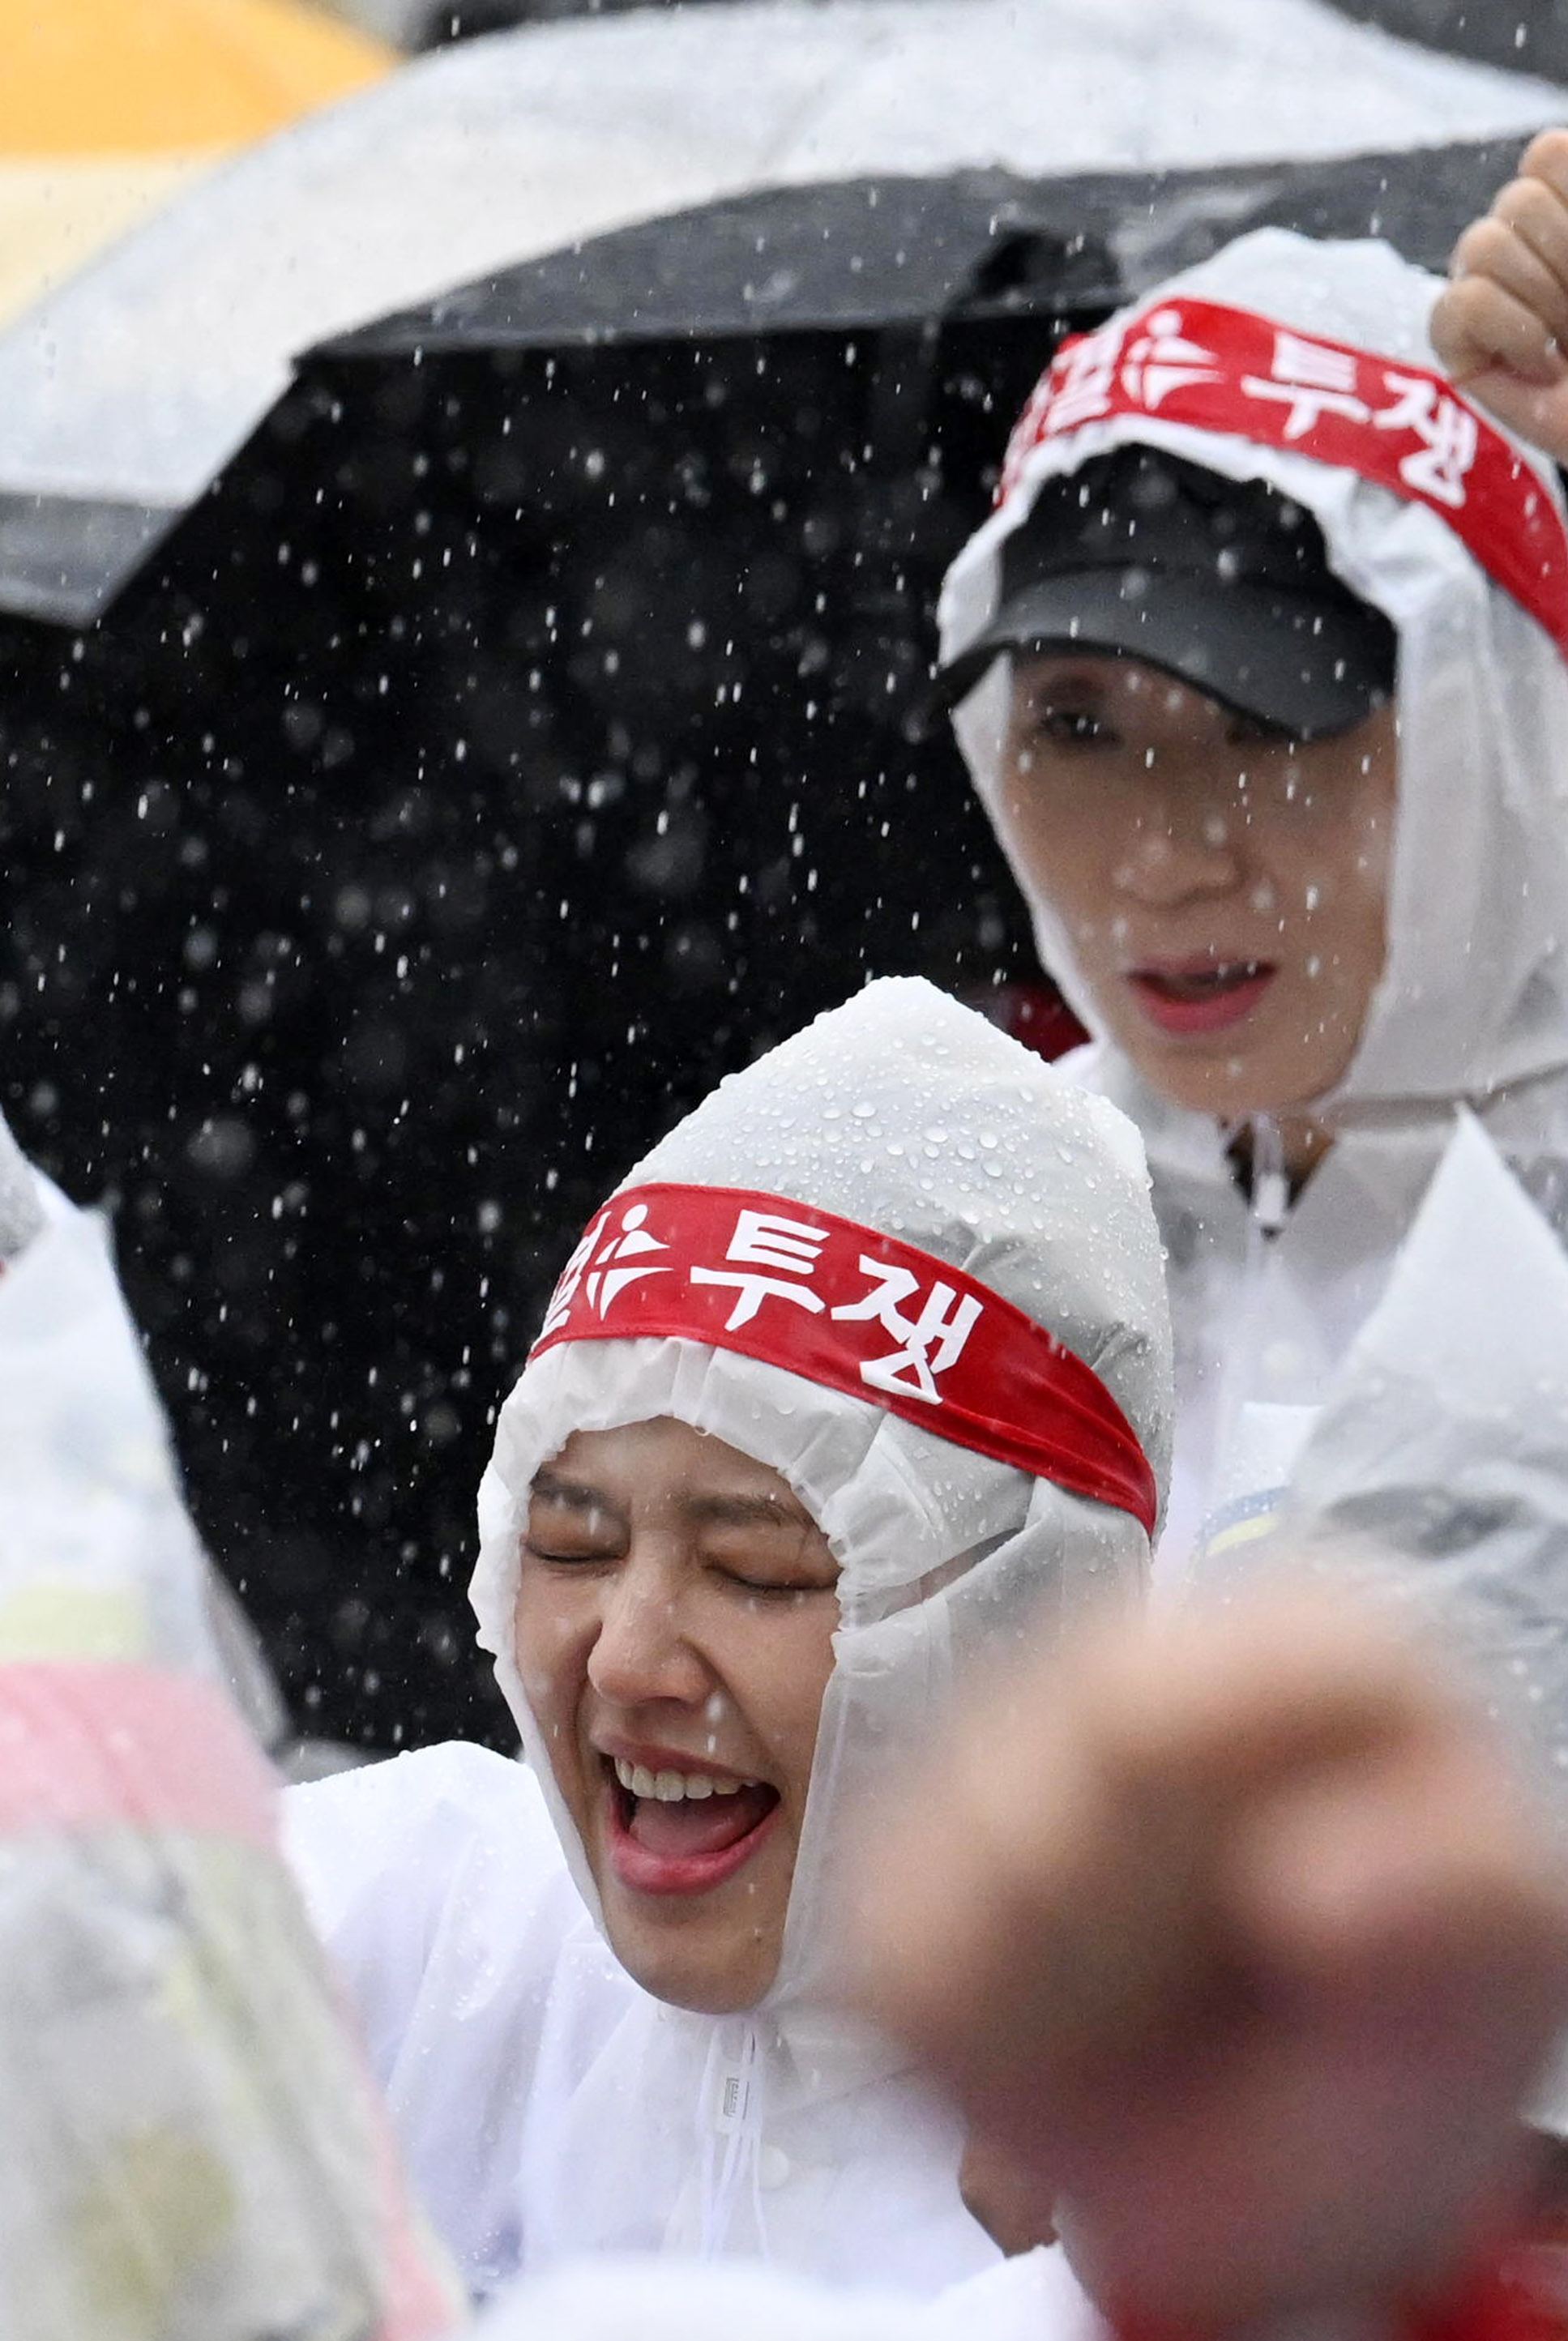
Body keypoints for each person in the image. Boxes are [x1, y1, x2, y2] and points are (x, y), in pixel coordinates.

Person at [283, 975, 1172, 2306]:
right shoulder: (444, 1939)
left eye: (759, 1569)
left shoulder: (1188, 2177)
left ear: (1022, 1624)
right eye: (573, 1544)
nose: (630, 1657)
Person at [937, 223, 1568, 1570]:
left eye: (1271, 721)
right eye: (1079, 725)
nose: (1166, 859)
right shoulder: (951, 1242)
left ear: (1507, 738)